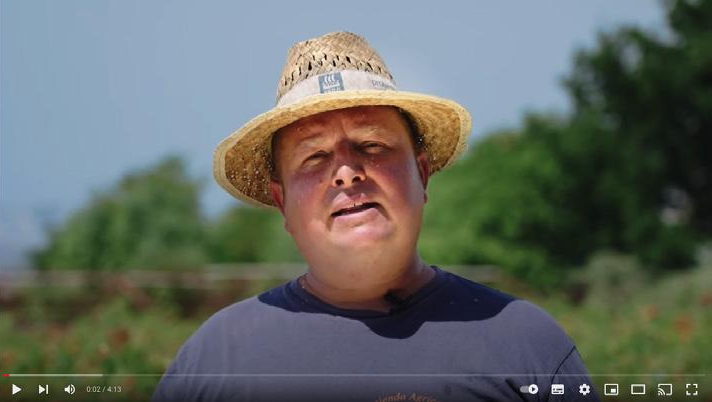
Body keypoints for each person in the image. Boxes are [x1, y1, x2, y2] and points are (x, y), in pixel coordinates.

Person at [153, 31, 599, 402]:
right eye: (314, 157)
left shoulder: (528, 346)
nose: (346, 173)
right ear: (282, 200)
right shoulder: (213, 363)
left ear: (422, 174)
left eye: (371, 145)